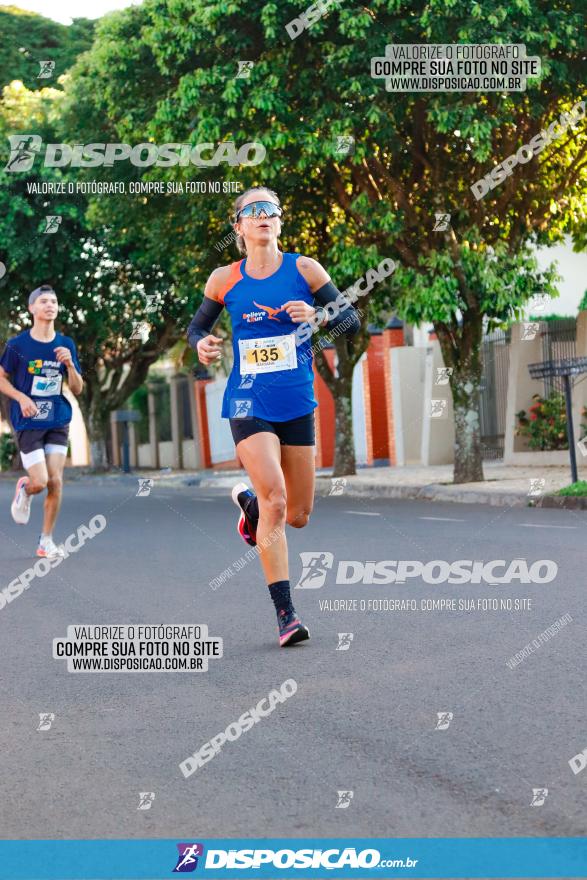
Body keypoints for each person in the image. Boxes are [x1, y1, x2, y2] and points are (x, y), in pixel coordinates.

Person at [187, 186, 360, 647]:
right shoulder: (224, 279)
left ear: (280, 222)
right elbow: (198, 326)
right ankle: (286, 615)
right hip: (248, 400)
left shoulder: (305, 269)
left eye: (271, 210)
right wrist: (200, 344)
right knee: (277, 502)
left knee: (298, 515)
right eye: (253, 210)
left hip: (297, 401)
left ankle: (249, 507)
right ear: (238, 226)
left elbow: (352, 321)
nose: (263, 216)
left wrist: (319, 316)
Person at [0, 284, 83, 558]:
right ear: (32, 308)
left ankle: (45, 540)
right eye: (44, 301)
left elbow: (78, 388)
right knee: (41, 481)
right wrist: (21, 398)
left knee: (56, 481)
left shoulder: (66, 345)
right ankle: (26, 488)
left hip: (57, 417)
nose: (50, 305)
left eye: (54, 301)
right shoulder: (17, 345)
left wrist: (70, 365)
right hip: (29, 421)